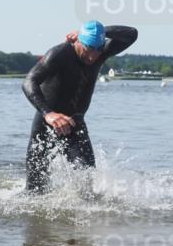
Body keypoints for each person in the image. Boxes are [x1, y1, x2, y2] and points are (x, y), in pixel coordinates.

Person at [22, 20, 138, 192]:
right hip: (47, 124)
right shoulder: (59, 53)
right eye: (88, 49)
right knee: (35, 189)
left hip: (75, 124)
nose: (92, 56)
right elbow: (29, 82)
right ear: (78, 41)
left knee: (86, 182)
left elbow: (131, 34)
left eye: (97, 50)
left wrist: (100, 32)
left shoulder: (102, 52)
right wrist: (49, 114)